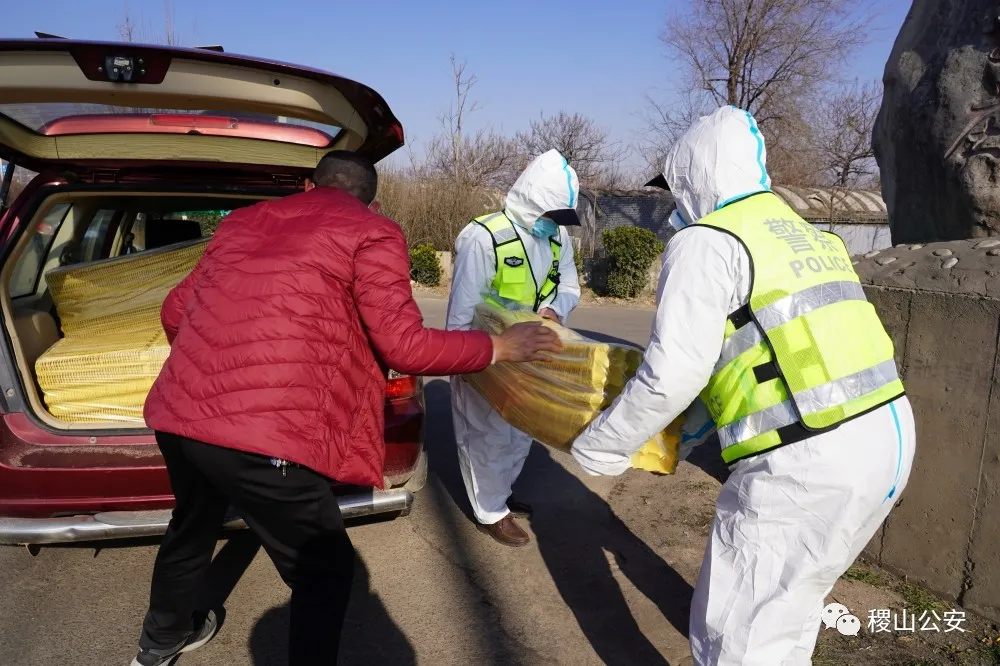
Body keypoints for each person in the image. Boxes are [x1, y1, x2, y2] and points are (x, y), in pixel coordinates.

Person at [130, 151, 563, 666]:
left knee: (192, 525)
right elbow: (405, 347)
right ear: (372, 201)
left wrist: (207, 373)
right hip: (269, 436)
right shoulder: (372, 232)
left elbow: (174, 312)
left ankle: (159, 643)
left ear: (309, 187)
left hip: (179, 416)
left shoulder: (243, 222)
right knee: (325, 573)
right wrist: (499, 348)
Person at [569, 106, 916, 665]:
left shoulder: (708, 242)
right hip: (884, 442)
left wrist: (602, 446)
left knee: (737, 639)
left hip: (808, 464)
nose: (677, 203)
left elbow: (673, 371)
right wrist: (696, 430)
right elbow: (764, 351)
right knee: (790, 609)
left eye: (678, 188)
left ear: (695, 177)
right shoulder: (807, 236)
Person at [447, 148, 582, 547]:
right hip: (487, 354)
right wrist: (465, 363)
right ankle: (489, 512)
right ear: (534, 201)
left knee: (521, 430)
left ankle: (500, 496)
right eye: (551, 216)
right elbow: (461, 310)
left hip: (532, 352)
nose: (555, 225)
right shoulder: (484, 237)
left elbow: (570, 286)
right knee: (484, 434)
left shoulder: (556, 238)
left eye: (560, 219)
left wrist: (555, 308)